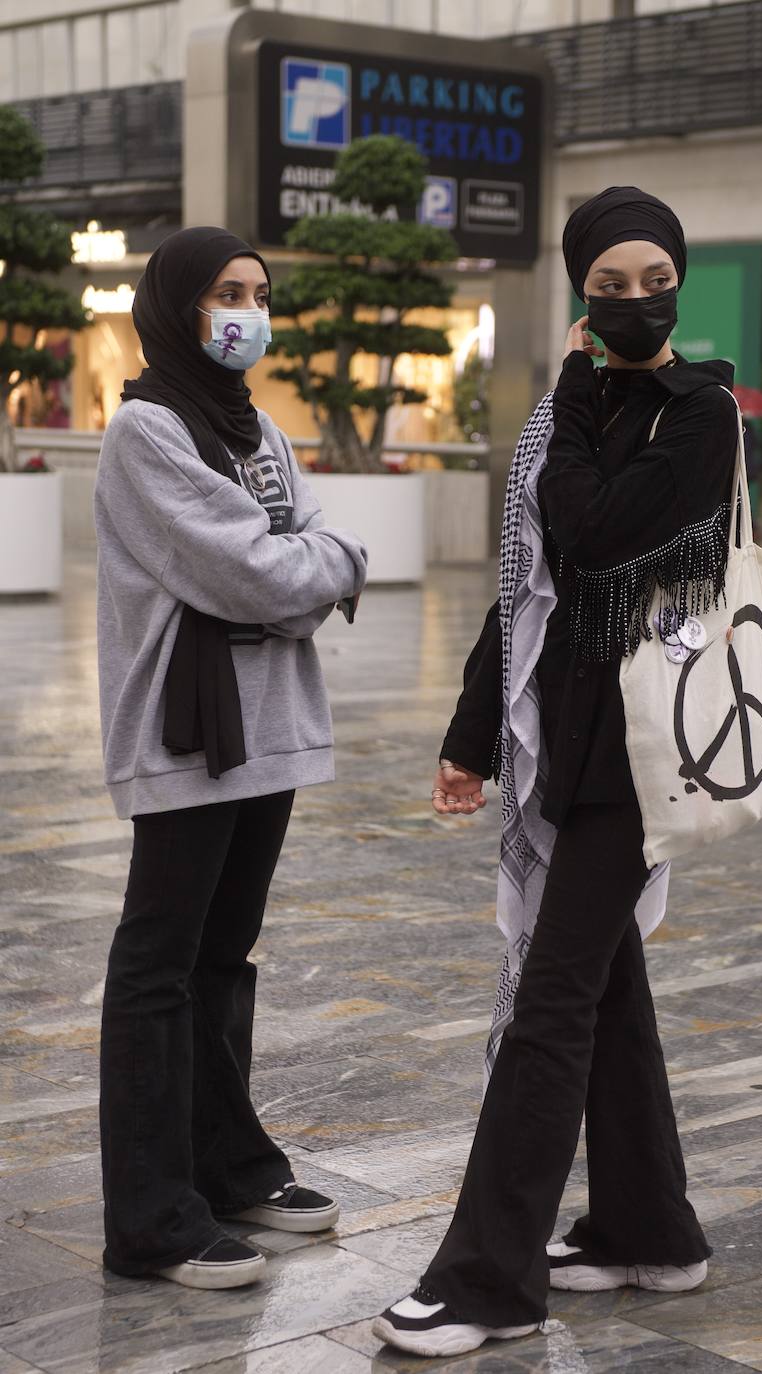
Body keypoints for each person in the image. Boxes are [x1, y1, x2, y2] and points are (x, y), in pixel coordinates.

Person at [373, 187, 738, 1358]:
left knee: (551, 1007)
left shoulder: (702, 412)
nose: (635, 303)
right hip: (562, 743)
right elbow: (524, 592)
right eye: (608, 286)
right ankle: (650, 1232)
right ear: (579, 295)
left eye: (653, 281)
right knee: (604, 986)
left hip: (641, 749)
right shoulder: (557, 417)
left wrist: (581, 396)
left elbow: (595, 531)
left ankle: (489, 1279)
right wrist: (471, 739)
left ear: (678, 283)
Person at [94, 227, 368, 1290]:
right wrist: (320, 565)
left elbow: (292, 554)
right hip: (187, 730)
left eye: (257, 291)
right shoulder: (148, 431)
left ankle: (229, 1170)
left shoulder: (257, 427)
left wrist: (308, 563)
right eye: (223, 292)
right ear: (175, 305)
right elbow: (261, 570)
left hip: (270, 726)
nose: (245, 309)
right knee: (158, 966)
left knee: (223, 958)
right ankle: (151, 1219)